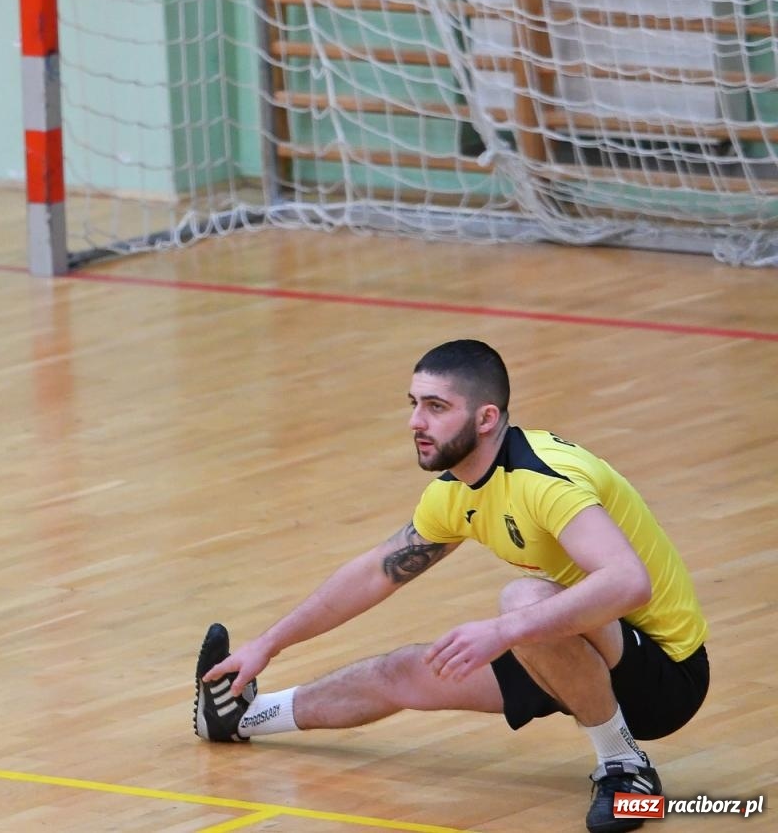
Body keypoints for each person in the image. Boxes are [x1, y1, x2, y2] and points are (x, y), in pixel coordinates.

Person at [192, 340, 708, 833]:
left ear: (486, 418)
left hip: (665, 673)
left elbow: (627, 582)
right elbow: (374, 574)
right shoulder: (456, 491)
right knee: (399, 673)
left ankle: (623, 766)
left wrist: (506, 630)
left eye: (436, 406)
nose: (416, 422)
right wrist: (267, 643)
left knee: (522, 600)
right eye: (414, 404)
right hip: (569, 647)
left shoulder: (545, 479)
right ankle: (242, 717)